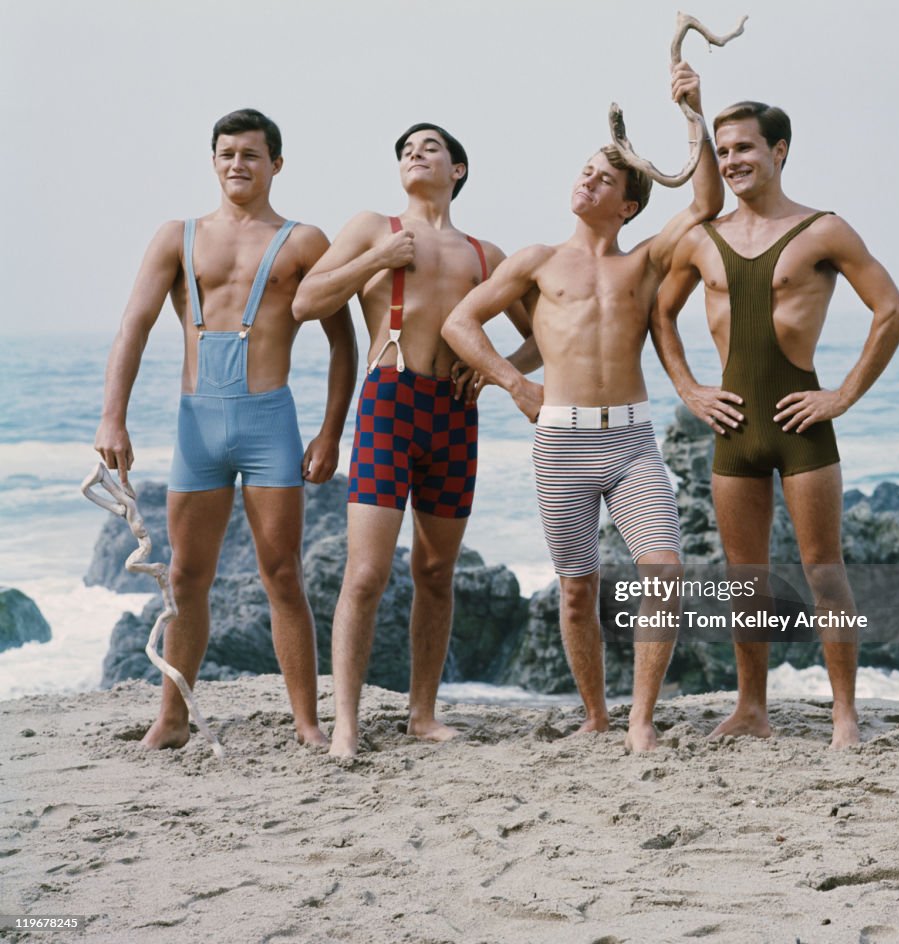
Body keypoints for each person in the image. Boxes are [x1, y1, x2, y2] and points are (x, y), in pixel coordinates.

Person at [442, 64, 722, 751]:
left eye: (604, 178)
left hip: (630, 442)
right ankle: (594, 716)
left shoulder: (645, 262)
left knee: (664, 570)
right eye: (585, 170)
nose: (588, 180)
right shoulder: (536, 260)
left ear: (627, 205)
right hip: (561, 443)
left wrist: (694, 114)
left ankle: (640, 718)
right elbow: (460, 324)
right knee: (575, 589)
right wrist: (515, 383)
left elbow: (706, 203)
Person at [651, 100, 899, 748]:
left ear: (779, 151)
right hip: (733, 429)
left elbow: (892, 312)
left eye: (745, 147)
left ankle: (844, 713)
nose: (734, 160)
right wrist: (688, 389)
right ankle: (751, 708)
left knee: (824, 569)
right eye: (724, 149)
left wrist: (842, 395)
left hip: (801, 424)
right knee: (747, 578)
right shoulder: (699, 238)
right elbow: (660, 314)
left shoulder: (824, 230)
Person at [94, 108, 357, 750]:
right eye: (226, 153)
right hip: (196, 427)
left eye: (251, 154)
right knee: (186, 576)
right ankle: (172, 718)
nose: (237, 163)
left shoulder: (304, 242)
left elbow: (344, 343)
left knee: (283, 574)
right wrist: (112, 415)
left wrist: (329, 434)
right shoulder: (176, 236)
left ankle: (307, 722)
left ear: (276, 164)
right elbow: (134, 324)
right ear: (213, 161)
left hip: (271, 422)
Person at [292, 122, 535, 758]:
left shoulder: (487, 255)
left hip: (455, 416)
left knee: (435, 570)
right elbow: (305, 301)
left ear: (458, 169)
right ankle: (346, 722)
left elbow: (545, 334)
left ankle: (421, 714)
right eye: (405, 149)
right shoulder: (373, 227)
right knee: (367, 572)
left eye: (429, 147)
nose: (414, 154)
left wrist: (492, 365)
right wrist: (376, 261)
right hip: (387, 404)